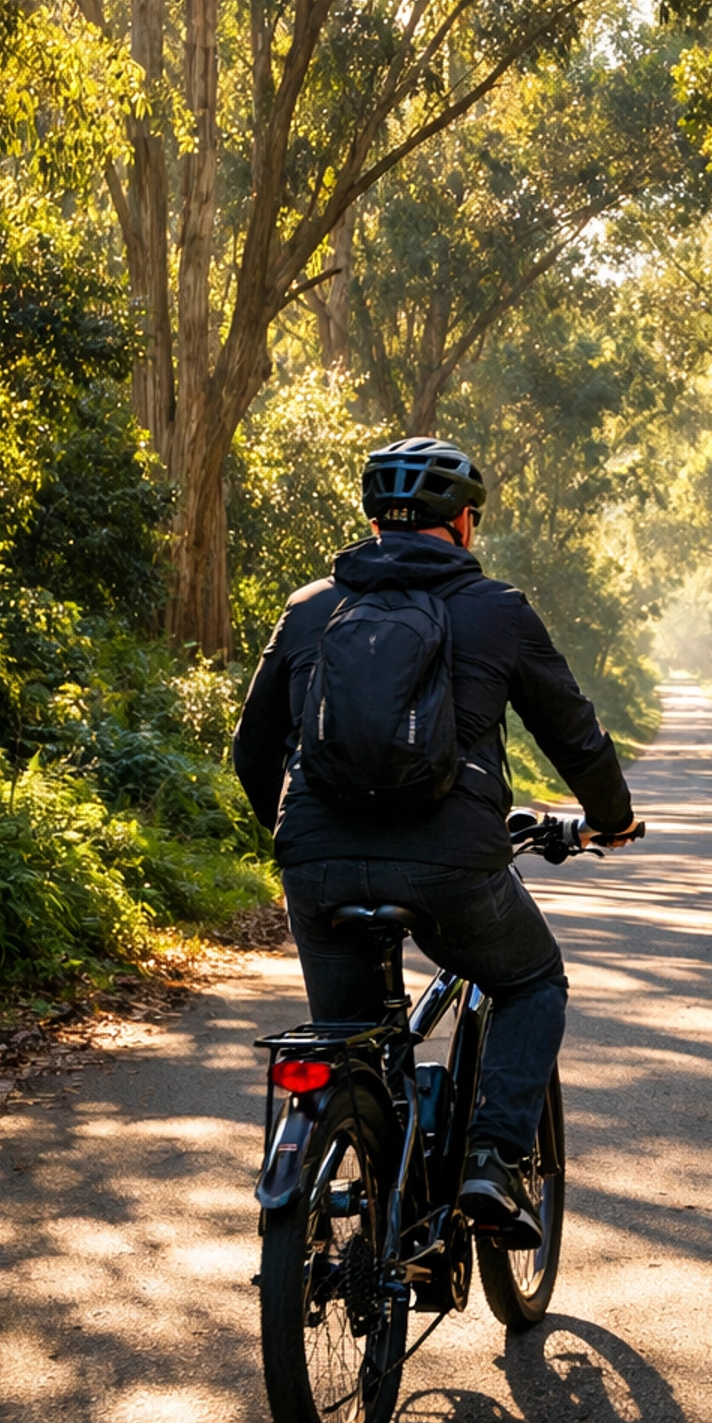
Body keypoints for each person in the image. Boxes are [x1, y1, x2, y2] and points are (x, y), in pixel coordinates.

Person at [233, 435, 638, 1244]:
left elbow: (253, 748)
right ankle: (492, 1163)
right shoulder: (496, 609)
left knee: (349, 1046)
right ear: (462, 523)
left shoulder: (313, 606)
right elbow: (575, 734)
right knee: (531, 982)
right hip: (453, 866)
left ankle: (366, 1202)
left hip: (315, 861)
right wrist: (612, 818)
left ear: (376, 518)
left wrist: (301, 841)